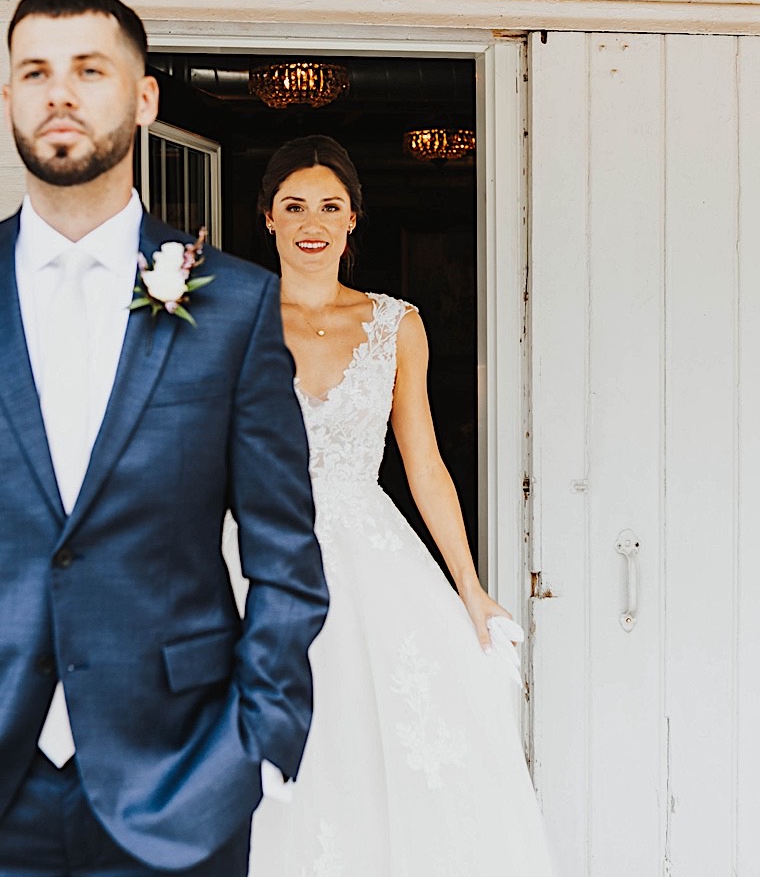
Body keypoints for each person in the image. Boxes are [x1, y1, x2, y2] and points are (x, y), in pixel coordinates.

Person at [0, 0, 329, 877]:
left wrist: (258, 747)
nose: (59, 93)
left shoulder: (234, 308)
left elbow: (285, 555)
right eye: (35, 71)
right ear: (8, 99)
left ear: (143, 97)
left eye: (89, 70)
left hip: (182, 779)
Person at [227, 135, 554, 876]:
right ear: (269, 219)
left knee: (388, 738)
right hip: (256, 550)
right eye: (295, 205)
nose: (314, 221)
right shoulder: (230, 320)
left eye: (331, 206)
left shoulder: (394, 324)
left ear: (352, 222)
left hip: (367, 550)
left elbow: (425, 464)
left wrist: (470, 588)